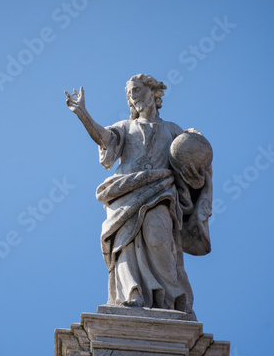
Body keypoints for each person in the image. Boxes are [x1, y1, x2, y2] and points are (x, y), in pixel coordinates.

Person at [65, 74, 212, 316]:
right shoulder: (125, 126)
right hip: (124, 194)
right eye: (130, 93)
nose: (133, 97)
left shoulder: (173, 130)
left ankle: (169, 298)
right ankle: (131, 294)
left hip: (161, 193)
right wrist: (83, 114)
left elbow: (191, 166)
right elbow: (104, 138)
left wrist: (196, 145)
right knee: (124, 245)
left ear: (153, 93)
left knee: (159, 240)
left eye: (137, 90)